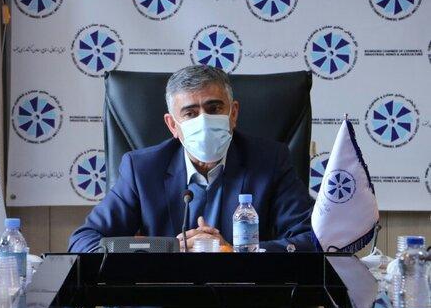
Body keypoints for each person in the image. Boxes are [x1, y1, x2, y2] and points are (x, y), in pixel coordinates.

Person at [69, 65, 317, 253]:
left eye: (214, 108)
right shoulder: (142, 169)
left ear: (233, 114)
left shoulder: (270, 161)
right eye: (190, 113)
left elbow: (310, 239)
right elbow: (84, 241)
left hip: (243, 298)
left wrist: (234, 253)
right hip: (162, 300)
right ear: (172, 125)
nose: (204, 121)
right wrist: (166, 251)